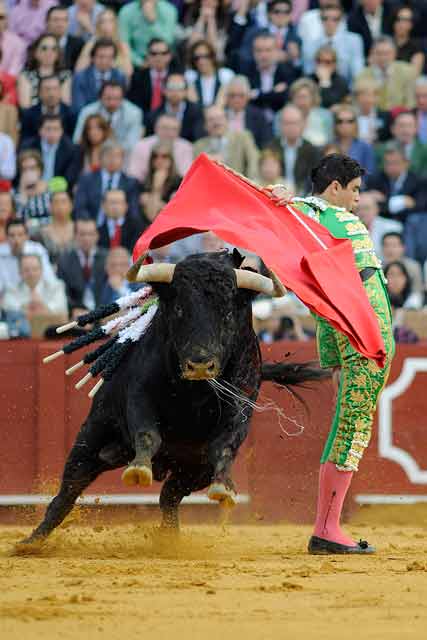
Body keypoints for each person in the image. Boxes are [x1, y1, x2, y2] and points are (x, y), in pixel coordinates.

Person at [266, 153, 394, 554]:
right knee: (350, 430)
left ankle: (328, 526)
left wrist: (333, 360)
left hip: (359, 340)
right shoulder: (313, 211)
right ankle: (326, 529)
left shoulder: (323, 217)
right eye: (354, 190)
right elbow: (288, 211)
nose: (358, 199)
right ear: (334, 187)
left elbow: (322, 297)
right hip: (362, 338)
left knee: (351, 425)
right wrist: (290, 198)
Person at [74, 140, 140, 223]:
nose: (112, 159)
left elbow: (133, 212)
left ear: (122, 159)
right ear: (100, 158)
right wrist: (90, 226)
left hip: (121, 231)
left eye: (116, 156)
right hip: (92, 230)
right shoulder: (87, 179)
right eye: (108, 155)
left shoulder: (131, 183)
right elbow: (80, 208)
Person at [73, 80, 143, 156]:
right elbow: (77, 139)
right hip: (92, 154)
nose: (112, 103)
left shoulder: (134, 113)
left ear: (123, 98)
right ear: (100, 97)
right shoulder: (87, 112)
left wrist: (110, 153)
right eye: (108, 98)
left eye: (116, 98)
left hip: (122, 157)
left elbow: (132, 144)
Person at [302, 3, 364, 86]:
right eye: (325, 18)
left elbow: (357, 73)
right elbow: (308, 74)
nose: (329, 22)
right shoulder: (309, 44)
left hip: (345, 90)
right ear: (320, 19)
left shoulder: (354, 41)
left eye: (335, 19)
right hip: (317, 90)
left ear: (342, 20)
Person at [265, 104, 321, 195]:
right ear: (280, 125)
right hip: (275, 195)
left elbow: (314, 180)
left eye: (295, 123)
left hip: (303, 197)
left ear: (303, 124)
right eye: (287, 123)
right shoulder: (271, 147)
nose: (291, 127)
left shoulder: (312, 150)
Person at [193, 105, 260, 180]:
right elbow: (197, 175)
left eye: (219, 118)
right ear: (205, 125)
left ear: (226, 120)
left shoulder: (243, 137)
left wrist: (250, 184)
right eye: (211, 119)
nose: (216, 123)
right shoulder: (198, 146)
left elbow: (254, 162)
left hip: (239, 187)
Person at [364, 142, 427, 220]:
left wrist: (385, 202)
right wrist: (402, 201)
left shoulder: (419, 181)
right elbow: (368, 205)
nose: (390, 167)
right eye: (387, 163)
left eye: (395, 163)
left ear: (406, 163)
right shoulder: (375, 179)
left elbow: (419, 207)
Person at [57, 218, 107, 313]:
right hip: (75, 314)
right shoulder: (65, 260)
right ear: (75, 236)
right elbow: (63, 292)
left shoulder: (107, 258)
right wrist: (74, 310)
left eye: (90, 234)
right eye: (82, 234)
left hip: (103, 312)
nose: (86, 238)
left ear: (97, 236)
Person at [21, 114, 82, 189]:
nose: (52, 133)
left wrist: (47, 186)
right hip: (32, 188)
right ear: (40, 130)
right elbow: (21, 173)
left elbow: (69, 179)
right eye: (48, 129)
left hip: (59, 191)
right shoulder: (28, 147)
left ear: (62, 131)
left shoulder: (72, 149)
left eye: (56, 129)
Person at [355, 36, 416, 111]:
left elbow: (411, 102)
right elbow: (359, 102)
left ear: (394, 54)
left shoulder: (407, 71)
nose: (383, 57)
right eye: (379, 53)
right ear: (372, 54)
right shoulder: (363, 75)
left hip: (400, 117)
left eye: (387, 53)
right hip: (374, 117)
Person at [128, 114, 193, 182]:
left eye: (174, 129)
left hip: (175, 187)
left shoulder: (186, 147)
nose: (169, 133)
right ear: (156, 128)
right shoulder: (141, 146)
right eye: (165, 128)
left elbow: (185, 176)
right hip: (145, 186)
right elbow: (134, 175)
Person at [2, 253, 68, 319]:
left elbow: (61, 308)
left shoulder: (56, 286)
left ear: (41, 270)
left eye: (35, 269)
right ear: (20, 272)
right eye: (26, 270)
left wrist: (43, 307)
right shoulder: (11, 289)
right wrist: (26, 307)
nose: (31, 273)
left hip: (51, 327)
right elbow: (8, 308)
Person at [0, 218, 56, 295]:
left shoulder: (37, 250)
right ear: (6, 237)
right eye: (12, 235)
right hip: (8, 300)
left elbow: (49, 279)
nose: (16, 240)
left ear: (27, 236)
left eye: (20, 235)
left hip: (37, 296)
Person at [71, 38, 127, 114]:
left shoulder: (120, 76)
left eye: (109, 57)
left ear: (114, 59)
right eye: (101, 57)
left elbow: (122, 105)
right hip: (88, 121)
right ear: (93, 58)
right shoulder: (80, 77)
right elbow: (78, 108)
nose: (104, 61)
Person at [17, 33, 72, 109]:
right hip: (32, 118)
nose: (49, 52)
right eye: (44, 48)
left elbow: (65, 105)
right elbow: (25, 107)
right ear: (35, 53)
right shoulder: (25, 75)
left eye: (54, 49)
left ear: (58, 54)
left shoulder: (65, 75)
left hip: (58, 118)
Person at [145, 73, 205, 143]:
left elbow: (199, 139)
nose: (175, 92)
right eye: (171, 88)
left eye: (179, 88)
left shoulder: (197, 112)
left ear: (186, 91)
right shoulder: (153, 115)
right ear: (164, 90)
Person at [74, 9, 133, 79]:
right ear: (98, 25)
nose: (106, 25)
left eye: (110, 21)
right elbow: (79, 70)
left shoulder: (122, 44)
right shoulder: (91, 43)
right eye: (103, 22)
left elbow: (129, 72)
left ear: (116, 24)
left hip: (116, 83)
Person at [118, 0, 178, 67]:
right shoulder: (126, 11)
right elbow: (124, 41)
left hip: (162, 57)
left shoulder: (169, 9)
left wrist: (152, 22)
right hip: (137, 61)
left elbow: (168, 41)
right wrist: (139, 62)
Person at [126, 38, 176, 116]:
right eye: (154, 53)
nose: (159, 57)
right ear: (147, 55)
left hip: (171, 120)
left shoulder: (177, 76)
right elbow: (133, 104)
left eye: (163, 53)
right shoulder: (137, 77)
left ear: (169, 56)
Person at [20, 74, 76, 143]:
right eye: (47, 89)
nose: (51, 94)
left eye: (55, 89)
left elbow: (73, 141)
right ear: (39, 93)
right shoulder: (29, 114)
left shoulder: (71, 113)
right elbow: (25, 141)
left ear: (60, 91)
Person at [223, 74, 273, 149]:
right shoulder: (220, 115)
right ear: (226, 97)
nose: (236, 100)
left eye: (241, 95)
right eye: (232, 95)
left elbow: (266, 142)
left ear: (248, 96)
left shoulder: (259, 115)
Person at [140, 142, 182, 227]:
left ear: (171, 160)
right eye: (155, 156)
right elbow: (151, 216)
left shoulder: (180, 182)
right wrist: (156, 188)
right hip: (150, 228)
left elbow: (174, 214)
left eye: (164, 156)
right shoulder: (145, 183)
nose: (159, 160)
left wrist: (155, 202)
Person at [185, 39, 234, 108]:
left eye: (205, 56)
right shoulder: (191, 76)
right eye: (197, 58)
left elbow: (222, 103)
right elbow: (193, 104)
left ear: (212, 56)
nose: (201, 61)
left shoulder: (225, 74)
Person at [289, 77, 333, 147]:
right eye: (297, 97)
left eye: (304, 97)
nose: (301, 101)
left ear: (313, 98)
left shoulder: (325, 116)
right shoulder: (284, 117)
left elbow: (330, 142)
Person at [357, 191, 402, 258]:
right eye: (358, 209)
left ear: (376, 209)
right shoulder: (348, 230)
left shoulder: (393, 227)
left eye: (366, 208)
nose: (362, 213)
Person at [333, 104, 376, 174]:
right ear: (335, 125)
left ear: (356, 124)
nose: (344, 125)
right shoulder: (329, 146)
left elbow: (369, 174)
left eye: (350, 121)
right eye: (340, 121)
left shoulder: (365, 147)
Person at [381, 231, 424, 301]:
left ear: (403, 247)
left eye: (394, 245)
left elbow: (417, 292)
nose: (390, 250)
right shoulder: (377, 268)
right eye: (386, 245)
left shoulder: (414, 267)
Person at [36, 190, 75, 265]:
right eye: (56, 202)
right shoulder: (41, 233)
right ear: (50, 207)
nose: (60, 206)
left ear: (71, 205)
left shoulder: (79, 230)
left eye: (63, 202)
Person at [45, 5, 85, 71]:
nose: (60, 24)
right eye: (56, 20)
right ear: (47, 22)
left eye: (64, 20)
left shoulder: (79, 44)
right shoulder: (39, 43)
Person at [309, 44, 349, 109]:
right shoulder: (308, 79)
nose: (323, 65)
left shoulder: (341, 82)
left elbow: (328, 104)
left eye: (327, 62)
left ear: (334, 64)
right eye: (319, 61)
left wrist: (325, 81)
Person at [390, 4, 424, 76]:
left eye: (406, 20)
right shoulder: (385, 43)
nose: (401, 24)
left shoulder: (417, 47)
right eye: (398, 19)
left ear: (411, 24)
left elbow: (415, 72)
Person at [0, 1, 27, 77]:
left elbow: (13, 73)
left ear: (7, 20)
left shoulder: (17, 43)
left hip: (6, 85)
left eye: (1, 17)